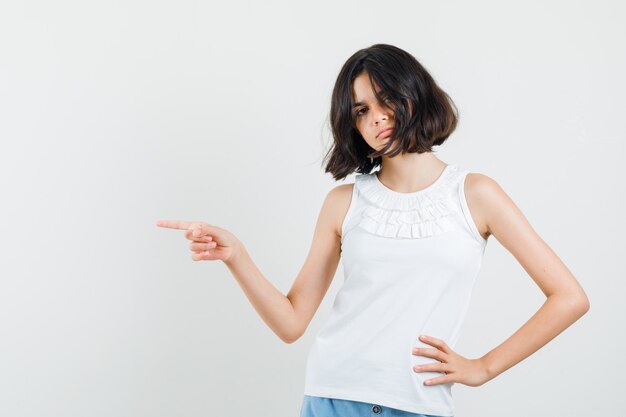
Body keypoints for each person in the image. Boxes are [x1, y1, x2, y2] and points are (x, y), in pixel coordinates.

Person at [156, 43, 590, 417]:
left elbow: (569, 298)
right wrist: (237, 256)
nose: (377, 118)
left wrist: (484, 367)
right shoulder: (343, 203)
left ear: (415, 96)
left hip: (418, 401)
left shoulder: (476, 193)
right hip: (333, 395)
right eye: (361, 110)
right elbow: (291, 323)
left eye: (385, 100)